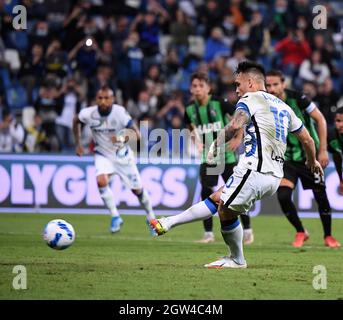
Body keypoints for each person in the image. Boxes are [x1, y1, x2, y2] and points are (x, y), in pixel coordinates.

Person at [150, 61, 323, 268]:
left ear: (250, 82)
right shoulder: (284, 107)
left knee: (224, 209)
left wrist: (215, 143)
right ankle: (168, 222)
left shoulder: (250, 98)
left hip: (255, 169)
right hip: (274, 175)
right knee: (216, 198)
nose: (236, 89)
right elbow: (308, 140)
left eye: (238, 83)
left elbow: (234, 125)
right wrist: (312, 161)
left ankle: (237, 259)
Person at [266, 70, 340, 248]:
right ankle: (300, 231)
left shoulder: (299, 98)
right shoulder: (266, 103)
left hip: (310, 156)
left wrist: (322, 150)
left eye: (275, 84)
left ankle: (328, 236)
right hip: (288, 159)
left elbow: (320, 120)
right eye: (268, 85)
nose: (271, 89)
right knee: (283, 196)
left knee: (320, 196)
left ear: (283, 84)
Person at [73, 86, 156, 235]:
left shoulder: (119, 113)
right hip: (102, 154)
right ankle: (115, 216)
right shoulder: (88, 113)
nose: (103, 101)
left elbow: (137, 134)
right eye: (100, 98)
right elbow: (76, 120)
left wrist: (121, 138)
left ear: (112, 99)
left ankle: (151, 217)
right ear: (96, 99)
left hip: (122, 155)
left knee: (137, 190)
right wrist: (78, 144)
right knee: (100, 181)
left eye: (106, 98)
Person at [184, 71, 253, 244]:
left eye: (201, 85)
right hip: (208, 158)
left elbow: (239, 119)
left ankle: (248, 230)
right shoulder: (189, 109)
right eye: (194, 86)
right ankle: (208, 234)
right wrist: (197, 142)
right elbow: (191, 128)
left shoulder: (219, 103)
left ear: (208, 88)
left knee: (236, 194)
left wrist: (238, 138)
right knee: (206, 193)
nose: (197, 89)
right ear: (190, 89)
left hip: (227, 157)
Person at [328, 107, 343, 195]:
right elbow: (337, 158)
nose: (341, 124)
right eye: (338, 121)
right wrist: (341, 179)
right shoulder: (331, 136)